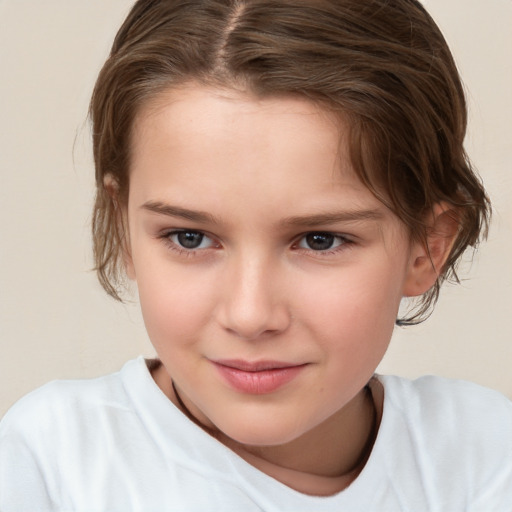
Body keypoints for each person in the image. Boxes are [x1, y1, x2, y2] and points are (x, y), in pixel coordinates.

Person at [1, 0, 511, 509]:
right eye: (189, 238)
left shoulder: (484, 459)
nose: (250, 315)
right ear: (124, 229)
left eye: (319, 240)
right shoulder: (49, 465)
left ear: (427, 246)